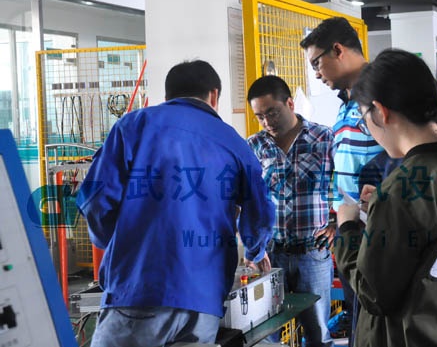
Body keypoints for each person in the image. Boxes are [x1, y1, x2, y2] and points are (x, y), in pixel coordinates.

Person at [77, 60, 275, 347]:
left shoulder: (133, 126)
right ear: (214, 95)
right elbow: (261, 213)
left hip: (139, 290)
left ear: (168, 94)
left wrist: (116, 243)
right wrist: (255, 251)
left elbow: (95, 198)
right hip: (203, 302)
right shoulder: (234, 142)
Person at [335, 49, 437, 347]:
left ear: (380, 112)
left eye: (364, 119)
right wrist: (382, 211)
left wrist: (347, 229)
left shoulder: (400, 189)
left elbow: (373, 294)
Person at [300, 17, 384, 344]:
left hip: (381, 229)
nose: (316, 74)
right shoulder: (346, 103)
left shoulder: (380, 94)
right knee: (359, 316)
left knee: (377, 320)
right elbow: (346, 164)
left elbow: (408, 157)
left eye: (317, 63)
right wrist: (339, 215)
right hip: (353, 230)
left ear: (338, 50)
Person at [246, 75, 335, 347]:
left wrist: (336, 224)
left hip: (313, 253)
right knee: (265, 334)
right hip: (271, 256)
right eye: (260, 116)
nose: (267, 122)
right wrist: (254, 248)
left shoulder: (324, 138)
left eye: (272, 112)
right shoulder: (254, 146)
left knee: (318, 333)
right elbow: (247, 200)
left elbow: (345, 186)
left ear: (290, 103)